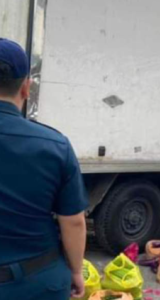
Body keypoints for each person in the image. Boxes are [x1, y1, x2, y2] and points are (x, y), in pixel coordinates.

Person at [0, 38, 88, 300]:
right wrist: (76, 271)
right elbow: (73, 221)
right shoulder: (55, 145)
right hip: (37, 281)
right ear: (26, 87)